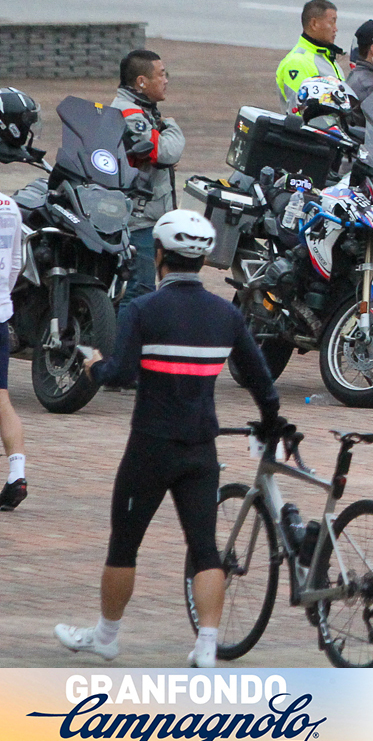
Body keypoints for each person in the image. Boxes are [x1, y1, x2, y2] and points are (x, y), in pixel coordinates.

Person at [56, 211, 282, 668]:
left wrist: (94, 365)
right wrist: (271, 422)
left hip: (150, 447)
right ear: (202, 260)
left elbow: (120, 373)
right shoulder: (226, 315)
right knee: (205, 548)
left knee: (125, 543)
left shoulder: (143, 309)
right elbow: (261, 381)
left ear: (159, 254)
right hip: (201, 449)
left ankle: (106, 637)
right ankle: (207, 645)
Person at [111, 49, 185, 305]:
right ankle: (122, 332)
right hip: (138, 221)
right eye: (161, 75)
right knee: (137, 291)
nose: (166, 81)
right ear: (141, 82)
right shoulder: (131, 114)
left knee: (138, 289)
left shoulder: (140, 109)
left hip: (144, 216)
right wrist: (170, 125)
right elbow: (165, 152)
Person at [0, 177, 25, 512]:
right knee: (2, 399)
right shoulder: (9, 206)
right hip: (0, 312)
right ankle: (17, 473)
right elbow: (16, 264)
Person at [276, 0, 345, 110]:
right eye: (332, 22)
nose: (335, 29)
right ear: (314, 24)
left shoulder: (326, 57)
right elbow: (298, 110)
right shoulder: (297, 62)